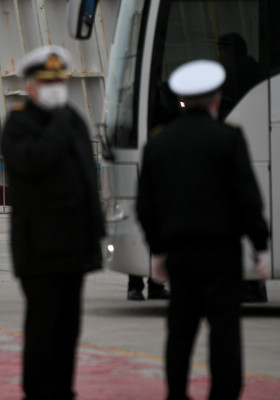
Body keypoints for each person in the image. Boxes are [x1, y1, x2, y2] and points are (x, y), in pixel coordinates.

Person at [136, 60, 270, 400]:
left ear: (181, 99)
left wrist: (158, 250)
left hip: (179, 252)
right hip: (221, 253)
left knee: (180, 329)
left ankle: (177, 393)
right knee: (224, 328)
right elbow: (246, 197)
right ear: (216, 100)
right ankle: (223, 394)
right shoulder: (228, 139)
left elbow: (146, 206)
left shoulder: (159, 144)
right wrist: (261, 245)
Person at [1, 45, 105, 400]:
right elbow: (34, 161)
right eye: (47, 82)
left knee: (68, 329)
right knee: (43, 330)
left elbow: (87, 181)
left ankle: (63, 391)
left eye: (60, 81)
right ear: (30, 86)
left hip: (75, 247)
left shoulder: (73, 119)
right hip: (40, 249)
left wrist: (97, 234)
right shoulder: (19, 124)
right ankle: (39, 393)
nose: (55, 88)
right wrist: (59, 121)